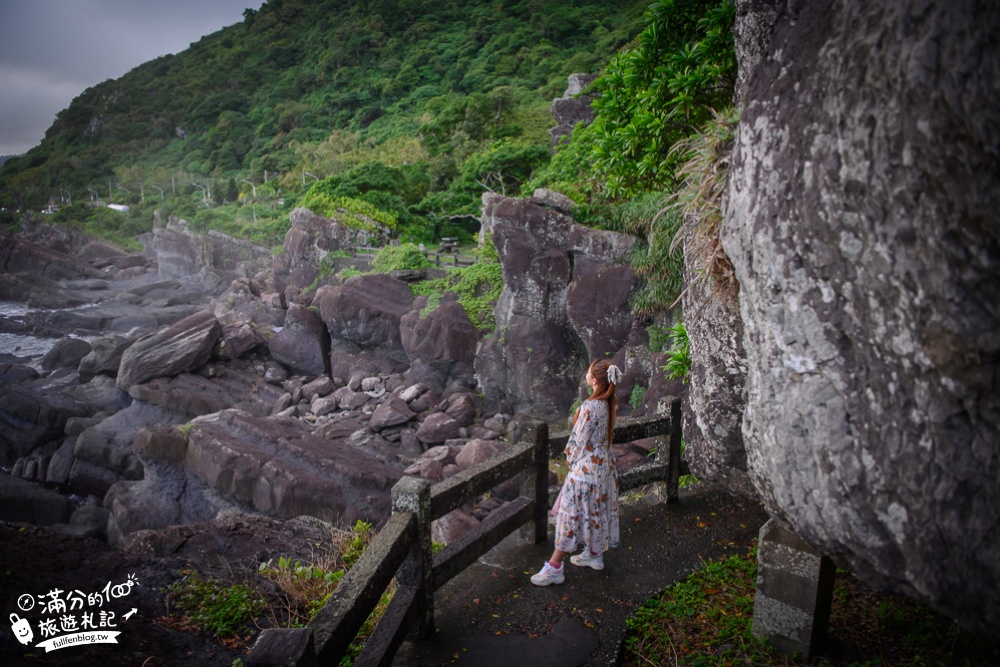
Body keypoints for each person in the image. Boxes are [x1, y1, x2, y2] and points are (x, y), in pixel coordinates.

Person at [531, 359, 622, 586]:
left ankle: (554, 567)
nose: (587, 375)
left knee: (570, 516)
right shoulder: (611, 403)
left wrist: (569, 460)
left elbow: (576, 443)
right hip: (604, 470)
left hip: (585, 473)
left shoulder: (590, 407)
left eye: (589, 372)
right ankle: (594, 554)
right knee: (595, 511)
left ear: (594, 380)